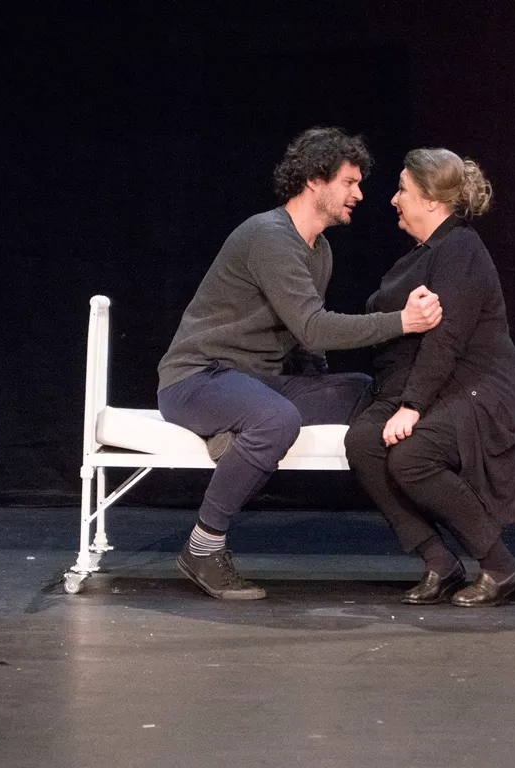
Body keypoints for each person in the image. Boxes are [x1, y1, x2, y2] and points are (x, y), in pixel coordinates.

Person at [158, 127, 443, 601]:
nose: (359, 194)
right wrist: (402, 322)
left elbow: (303, 341)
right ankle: (202, 548)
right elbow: (313, 327)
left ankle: (237, 433)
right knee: (276, 418)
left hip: (254, 382)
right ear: (314, 180)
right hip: (198, 378)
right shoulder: (269, 236)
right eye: (349, 182)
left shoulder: (319, 249)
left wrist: (320, 387)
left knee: (362, 391)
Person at [344, 148, 515, 607]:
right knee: (364, 442)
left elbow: (446, 338)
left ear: (431, 200)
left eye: (402, 190)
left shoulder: (461, 248)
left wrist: (411, 407)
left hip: (475, 388)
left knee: (412, 457)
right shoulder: (423, 254)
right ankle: (440, 562)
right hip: (430, 385)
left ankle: (501, 566)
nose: (393, 200)